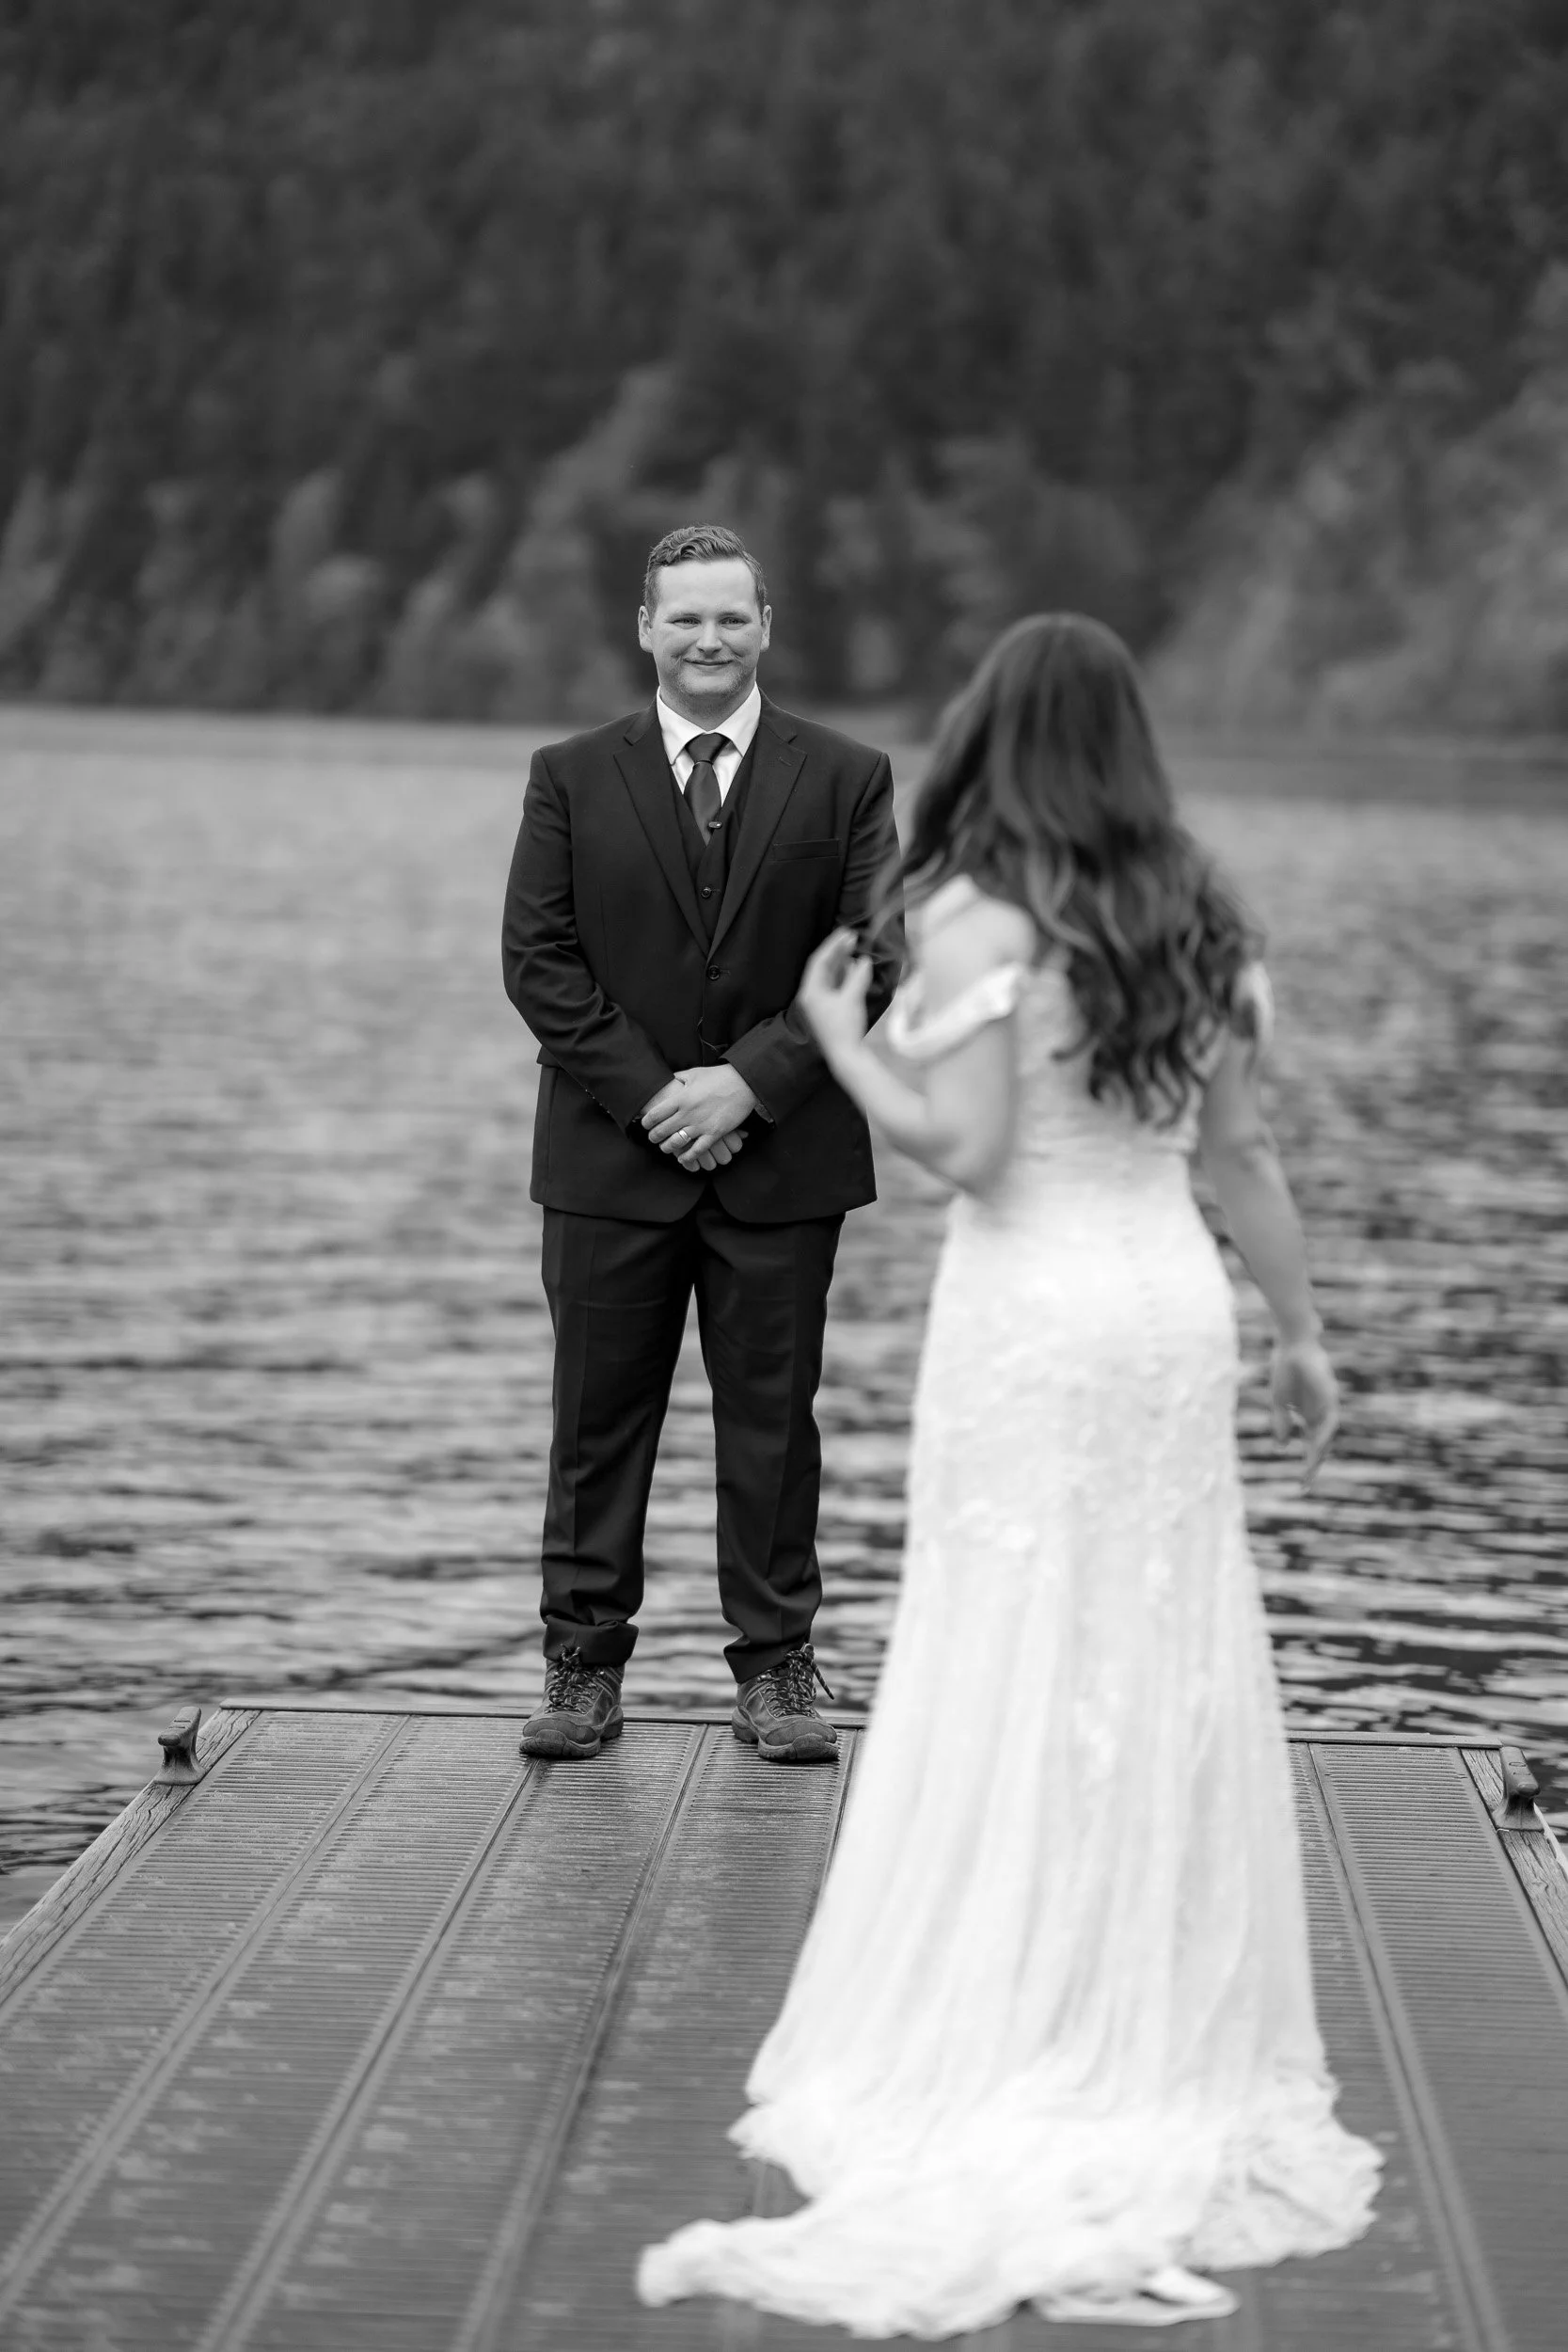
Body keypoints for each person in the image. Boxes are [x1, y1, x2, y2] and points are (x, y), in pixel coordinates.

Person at [638, 612, 1380, 2333]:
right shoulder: (1201, 919)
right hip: (1169, 1310)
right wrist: (1303, 1337)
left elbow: (969, 1152)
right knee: (1156, 1636)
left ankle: (1014, 2000)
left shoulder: (975, 916)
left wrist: (837, 1039)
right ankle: (1146, 2004)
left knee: (1009, 1629)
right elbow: (1242, 1154)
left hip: (1034, 1316)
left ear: (993, 735)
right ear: (1127, 746)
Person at [501, 525, 900, 1764]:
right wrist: (658, 1099)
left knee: (775, 1427)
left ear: (765, 627)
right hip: (607, 1161)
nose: (708, 639)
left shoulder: (849, 776)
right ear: (646, 629)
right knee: (595, 1424)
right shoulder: (570, 775)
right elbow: (538, 960)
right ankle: (581, 1669)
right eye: (685, 618)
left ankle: (777, 1672)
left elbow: (871, 956)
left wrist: (747, 1086)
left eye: (731, 617)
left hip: (781, 1161)